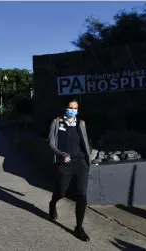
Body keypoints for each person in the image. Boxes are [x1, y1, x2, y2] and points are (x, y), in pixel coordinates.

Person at [48, 99, 91, 242]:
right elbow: (51, 143)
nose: (73, 110)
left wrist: (88, 159)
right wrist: (62, 154)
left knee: (82, 196)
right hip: (65, 163)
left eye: (76, 108)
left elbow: (84, 141)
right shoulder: (57, 122)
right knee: (61, 192)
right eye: (70, 107)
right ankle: (53, 203)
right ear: (65, 108)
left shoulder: (81, 123)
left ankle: (79, 228)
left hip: (80, 163)